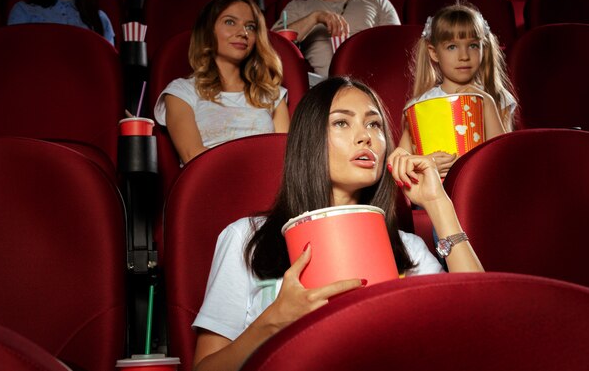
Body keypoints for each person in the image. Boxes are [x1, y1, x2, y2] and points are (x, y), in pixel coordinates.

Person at [191, 76, 484, 371]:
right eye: (342, 123)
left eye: (374, 124)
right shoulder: (246, 238)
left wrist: (437, 203)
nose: (365, 137)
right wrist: (273, 321)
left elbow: (479, 325)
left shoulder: (408, 249)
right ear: (310, 140)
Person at [154, 0, 290, 165]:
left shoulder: (272, 95)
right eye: (230, 22)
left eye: (250, 27)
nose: (243, 33)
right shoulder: (181, 92)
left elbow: (285, 158)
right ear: (208, 31)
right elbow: (193, 156)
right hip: (211, 183)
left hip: (266, 184)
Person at [398, 2, 518, 177]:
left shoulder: (497, 97)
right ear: (433, 52)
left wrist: (487, 104)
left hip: (483, 185)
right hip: (434, 191)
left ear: (484, 47)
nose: (464, 56)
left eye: (473, 45)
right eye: (452, 47)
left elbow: (503, 157)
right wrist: (426, 164)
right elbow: (402, 160)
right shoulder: (420, 105)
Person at [271, 0, 400, 80]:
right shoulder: (297, 7)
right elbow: (269, 46)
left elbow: (398, 49)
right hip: (321, 91)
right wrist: (315, 18)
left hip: (371, 85)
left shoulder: (379, 3)